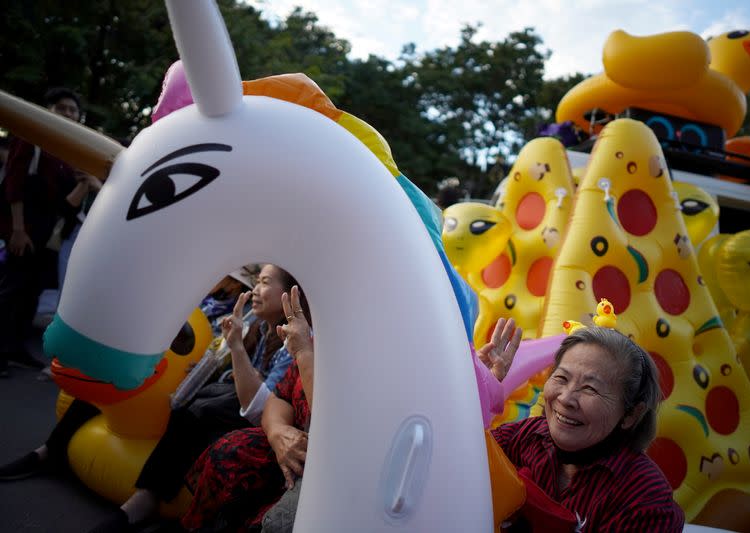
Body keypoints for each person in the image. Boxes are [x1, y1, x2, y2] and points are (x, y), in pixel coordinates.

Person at [0, 264, 304, 531]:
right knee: (118, 379)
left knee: (196, 408)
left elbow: (260, 397)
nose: (256, 288)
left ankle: (145, 500)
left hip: (205, 388)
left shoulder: (266, 327)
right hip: (188, 372)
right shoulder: (242, 316)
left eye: (264, 281)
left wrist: (232, 347)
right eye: (256, 280)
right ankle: (50, 449)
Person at [178, 303, 522, 533]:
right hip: (291, 462)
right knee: (230, 450)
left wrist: (477, 382)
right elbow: (279, 399)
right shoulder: (326, 336)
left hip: (343, 483)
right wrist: (279, 432)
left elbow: (339, 428)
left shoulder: (401, 358)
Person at [491, 327, 684, 532]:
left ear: (631, 415)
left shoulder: (644, 498)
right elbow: (465, 458)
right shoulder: (527, 436)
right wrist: (479, 386)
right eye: (561, 378)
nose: (565, 399)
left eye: (590, 388)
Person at [0, 87, 94, 376]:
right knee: (12, 289)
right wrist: (17, 229)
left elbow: (65, 201)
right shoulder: (33, 138)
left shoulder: (68, 151)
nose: (68, 114)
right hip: (24, 227)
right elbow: (13, 184)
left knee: (30, 292)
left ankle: (15, 347)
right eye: (62, 108)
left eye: (73, 110)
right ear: (49, 111)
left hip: (46, 234)